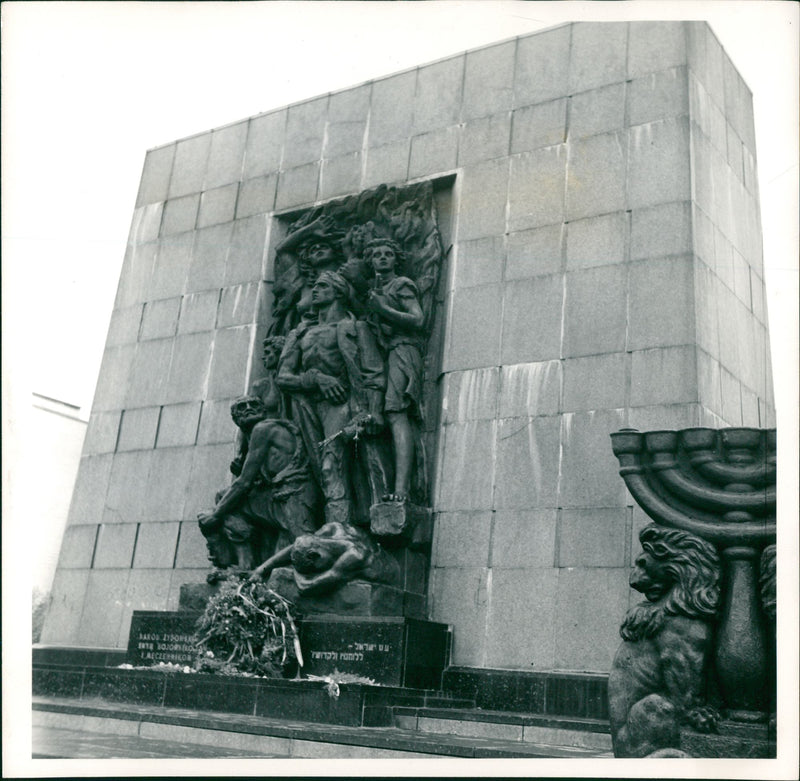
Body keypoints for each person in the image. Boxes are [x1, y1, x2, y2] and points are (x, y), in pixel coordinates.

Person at [277, 270, 390, 524]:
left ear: (338, 292)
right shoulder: (300, 333)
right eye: (314, 286)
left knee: (331, 467)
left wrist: (371, 412)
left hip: (341, 406)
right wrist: (315, 377)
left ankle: (338, 532)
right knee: (317, 471)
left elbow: (374, 375)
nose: (314, 290)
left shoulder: (355, 328)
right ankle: (331, 531)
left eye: (322, 286)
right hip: (306, 407)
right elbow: (283, 377)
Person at [197, 396, 318, 575]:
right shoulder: (253, 435)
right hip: (279, 495)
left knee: (303, 542)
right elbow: (257, 478)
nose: (248, 409)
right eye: (241, 407)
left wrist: (216, 515)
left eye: (253, 405)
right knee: (224, 498)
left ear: (263, 411)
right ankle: (244, 565)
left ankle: (247, 566)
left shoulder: (263, 429)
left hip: (294, 494)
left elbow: (244, 483)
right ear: (235, 418)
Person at [363, 237, 425, 502]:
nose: (382, 258)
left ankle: (402, 490)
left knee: (396, 412)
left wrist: (384, 309)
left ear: (396, 259)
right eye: (377, 255)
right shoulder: (375, 289)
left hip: (404, 349)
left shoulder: (401, 285)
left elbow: (418, 319)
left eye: (388, 254)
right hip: (386, 353)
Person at [248, 520, 401, 596]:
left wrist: (297, 571)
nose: (316, 571)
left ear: (316, 556)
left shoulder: (354, 556)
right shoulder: (333, 528)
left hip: (389, 574)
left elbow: (306, 587)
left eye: (313, 569)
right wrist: (262, 569)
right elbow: (299, 544)